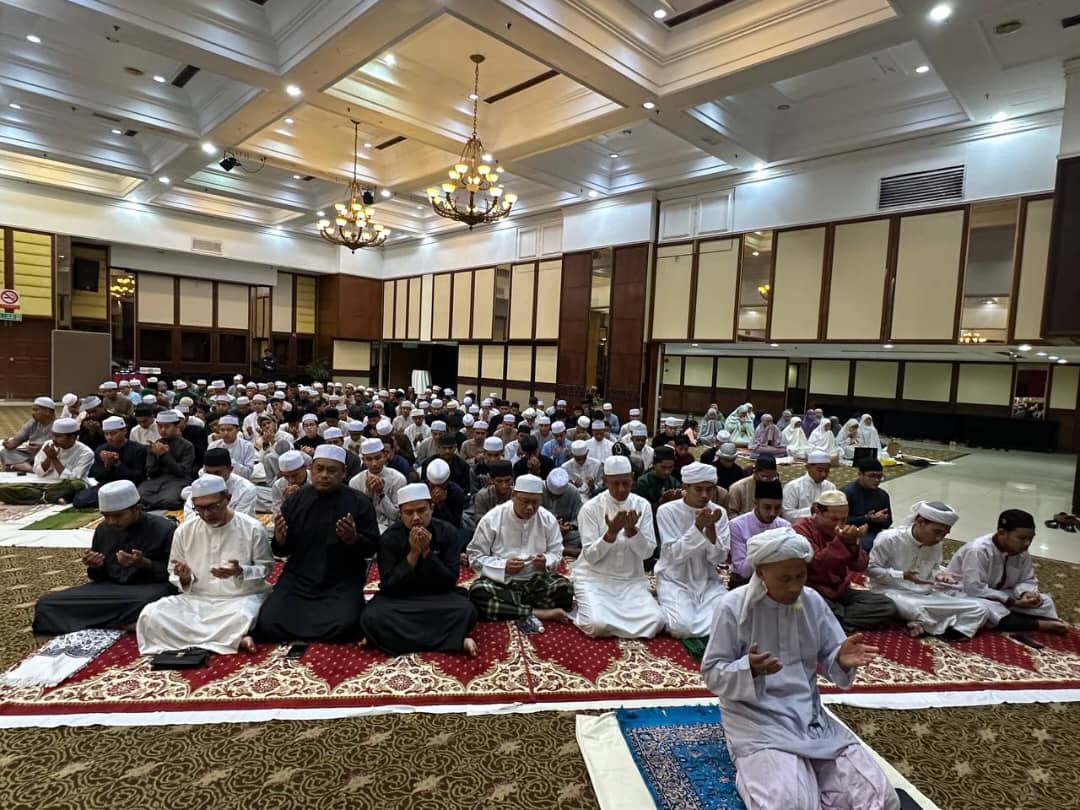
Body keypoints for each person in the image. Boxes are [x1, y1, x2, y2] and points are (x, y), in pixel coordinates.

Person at [701, 528, 899, 810]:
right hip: (757, 717)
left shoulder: (811, 600)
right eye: (785, 578)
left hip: (808, 714)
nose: (795, 587)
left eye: (800, 576)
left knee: (879, 800)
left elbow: (832, 650)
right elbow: (712, 672)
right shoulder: (733, 607)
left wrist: (839, 658)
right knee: (789, 804)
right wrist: (749, 669)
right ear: (760, 572)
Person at [136, 475, 273, 655]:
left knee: (241, 616)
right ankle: (233, 638)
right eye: (200, 508)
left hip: (239, 598)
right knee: (151, 614)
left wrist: (241, 571)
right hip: (196, 598)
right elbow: (173, 571)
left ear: (227, 499)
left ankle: (228, 636)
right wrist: (184, 578)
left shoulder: (253, 528)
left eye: (213, 506)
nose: (207, 514)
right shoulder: (184, 531)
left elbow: (266, 568)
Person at [255, 445, 380, 642]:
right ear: (311, 470)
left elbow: (372, 548)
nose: (324, 475)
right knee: (268, 621)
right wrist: (280, 539)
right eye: (319, 469)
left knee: (346, 624)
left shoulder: (359, 502)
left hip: (341, 580)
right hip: (299, 578)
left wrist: (353, 539)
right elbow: (282, 550)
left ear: (343, 473)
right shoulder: (295, 501)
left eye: (332, 471)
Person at [33, 481, 176, 635]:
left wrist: (144, 563)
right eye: (106, 516)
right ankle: (122, 623)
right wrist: (96, 565)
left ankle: (104, 621)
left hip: (148, 588)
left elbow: (176, 576)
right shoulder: (104, 529)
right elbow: (99, 577)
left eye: (118, 516)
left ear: (137, 509)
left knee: (147, 603)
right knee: (46, 604)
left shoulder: (165, 529)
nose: (111, 521)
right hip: (110, 590)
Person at [359, 484, 479, 656]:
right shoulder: (389, 538)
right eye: (408, 513)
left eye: (421, 510)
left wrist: (427, 553)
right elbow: (389, 585)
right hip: (400, 599)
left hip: (438, 597)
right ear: (401, 514)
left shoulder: (447, 532)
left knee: (466, 611)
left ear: (432, 508)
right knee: (371, 617)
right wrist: (413, 554)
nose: (416, 518)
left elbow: (450, 581)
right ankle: (453, 641)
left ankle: (386, 639)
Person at [572, 456, 664, 638]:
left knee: (657, 622)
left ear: (632, 478)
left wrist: (632, 530)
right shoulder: (590, 508)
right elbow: (590, 556)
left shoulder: (642, 506)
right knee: (596, 625)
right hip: (595, 579)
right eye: (615, 483)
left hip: (630, 580)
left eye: (626, 483)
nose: (621, 489)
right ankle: (580, 606)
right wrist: (611, 533)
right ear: (605, 481)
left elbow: (647, 553)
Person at [868, 501, 990, 638]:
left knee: (980, 608)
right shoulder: (889, 538)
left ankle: (940, 628)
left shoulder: (936, 544)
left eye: (944, 534)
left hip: (924, 594)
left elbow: (934, 567)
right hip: (890, 591)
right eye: (937, 532)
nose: (939, 538)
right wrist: (902, 575)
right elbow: (871, 569)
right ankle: (933, 622)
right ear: (920, 521)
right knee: (914, 608)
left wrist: (940, 575)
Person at [467, 474, 573, 626]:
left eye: (535, 502)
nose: (530, 507)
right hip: (501, 582)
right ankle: (537, 612)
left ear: (541, 499)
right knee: (478, 592)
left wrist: (546, 561)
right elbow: (475, 556)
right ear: (514, 496)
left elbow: (556, 552)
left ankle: (510, 609)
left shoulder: (548, 519)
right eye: (525, 501)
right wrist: (503, 566)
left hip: (535, 582)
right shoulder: (492, 518)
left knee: (565, 589)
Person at [946, 509, 1068, 634]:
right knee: (986, 608)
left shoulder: (1021, 551)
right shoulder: (978, 550)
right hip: (966, 594)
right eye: (1022, 538)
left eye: (1030, 538)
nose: (1027, 543)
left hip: (1000, 594)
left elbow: (1027, 579)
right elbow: (974, 589)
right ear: (1002, 533)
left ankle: (1011, 618)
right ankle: (1038, 624)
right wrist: (1012, 602)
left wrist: (1026, 593)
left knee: (1045, 601)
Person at [792, 490, 897, 631]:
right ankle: (833, 619)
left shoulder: (842, 531)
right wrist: (841, 542)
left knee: (886, 606)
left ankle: (833, 620)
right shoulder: (799, 530)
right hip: (814, 591)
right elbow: (817, 566)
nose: (839, 525)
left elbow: (860, 566)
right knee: (807, 606)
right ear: (816, 511)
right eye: (834, 519)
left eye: (844, 519)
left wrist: (853, 544)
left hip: (840, 590)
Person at [654, 462, 730, 638]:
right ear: (685, 487)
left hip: (708, 580)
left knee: (727, 619)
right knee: (682, 628)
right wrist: (697, 527)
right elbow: (675, 554)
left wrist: (710, 529)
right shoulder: (667, 511)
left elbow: (719, 559)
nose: (705, 495)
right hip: (675, 579)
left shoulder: (719, 512)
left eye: (709, 489)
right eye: (699, 489)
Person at [72, 416, 148, 509]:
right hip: (108, 485)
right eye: (106, 434)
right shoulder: (101, 449)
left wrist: (117, 464)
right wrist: (107, 465)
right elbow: (96, 475)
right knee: (80, 499)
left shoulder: (138, 449)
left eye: (113, 433)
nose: (109, 437)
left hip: (130, 485)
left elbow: (138, 476)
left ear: (124, 431)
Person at [728, 479, 789, 588]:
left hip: (776, 581)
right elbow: (744, 571)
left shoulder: (784, 526)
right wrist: (772, 547)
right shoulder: (737, 525)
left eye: (777, 508)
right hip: (744, 583)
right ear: (756, 503)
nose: (772, 513)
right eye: (767, 507)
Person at [138, 410, 195, 510]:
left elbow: (181, 472)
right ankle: (156, 503)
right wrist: (156, 456)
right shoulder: (155, 445)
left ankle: (150, 504)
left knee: (169, 499)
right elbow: (151, 473)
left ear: (176, 426)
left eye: (167, 427)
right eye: (160, 427)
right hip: (157, 480)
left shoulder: (187, 446)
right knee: (139, 494)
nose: (163, 430)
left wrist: (165, 455)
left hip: (178, 480)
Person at [349, 437, 406, 532]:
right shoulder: (355, 482)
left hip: (392, 530)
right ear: (363, 460)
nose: (374, 463)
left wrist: (381, 494)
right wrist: (368, 495)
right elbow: (358, 516)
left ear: (385, 456)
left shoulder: (398, 479)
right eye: (369, 459)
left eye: (378, 458)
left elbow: (396, 516)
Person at [182, 447, 257, 519]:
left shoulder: (246, 489)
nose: (212, 477)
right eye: (208, 473)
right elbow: (189, 515)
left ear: (230, 469)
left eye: (217, 473)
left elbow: (239, 520)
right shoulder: (201, 485)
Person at [842, 458, 892, 551]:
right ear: (860, 474)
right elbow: (840, 522)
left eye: (879, 476)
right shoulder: (846, 493)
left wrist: (882, 519)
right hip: (852, 533)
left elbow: (888, 523)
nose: (876, 480)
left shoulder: (883, 495)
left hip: (876, 532)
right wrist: (866, 518)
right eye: (872, 476)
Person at [1, 397, 56, 471]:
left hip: (48, 455)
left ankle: (22, 467)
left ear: (47, 411)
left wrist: (41, 448)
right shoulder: (32, 422)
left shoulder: (59, 425)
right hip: (30, 455)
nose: (32, 413)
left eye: (36, 410)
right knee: (5, 452)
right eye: (33, 410)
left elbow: (61, 445)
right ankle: (32, 469)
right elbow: (19, 438)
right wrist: (10, 444)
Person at [781, 451, 837, 521]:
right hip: (799, 527)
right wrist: (810, 511)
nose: (823, 474)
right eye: (819, 470)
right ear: (808, 467)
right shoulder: (793, 487)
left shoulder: (831, 487)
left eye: (827, 471)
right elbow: (787, 515)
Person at [464, 459, 515, 533]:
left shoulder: (517, 496)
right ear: (491, 480)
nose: (504, 485)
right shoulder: (482, 496)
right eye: (499, 481)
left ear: (512, 479)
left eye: (507, 481)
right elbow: (480, 523)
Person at [541, 467, 582, 558]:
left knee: (580, 535)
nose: (555, 498)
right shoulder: (537, 490)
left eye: (558, 496)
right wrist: (551, 528)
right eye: (552, 495)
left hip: (565, 535)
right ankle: (566, 551)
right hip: (541, 533)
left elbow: (579, 516)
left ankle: (557, 549)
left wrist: (570, 525)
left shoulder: (573, 492)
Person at [207, 415, 256, 480]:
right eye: (222, 430)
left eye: (229, 430)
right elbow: (206, 468)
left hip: (239, 481)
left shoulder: (247, 446)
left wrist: (229, 461)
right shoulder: (213, 445)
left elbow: (248, 472)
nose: (226, 433)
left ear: (237, 430)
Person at [425, 457, 467, 531]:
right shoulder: (421, 490)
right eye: (433, 486)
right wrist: (431, 503)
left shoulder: (457, 492)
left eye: (441, 486)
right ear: (428, 482)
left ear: (447, 482)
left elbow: (455, 524)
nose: (437, 490)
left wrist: (442, 504)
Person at [271, 449, 309, 516]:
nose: (291, 480)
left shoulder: (316, 481)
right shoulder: (278, 485)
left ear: (304, 467)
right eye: (286, 476)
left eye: (295, 475)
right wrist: (288, 502)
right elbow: (277, 516)